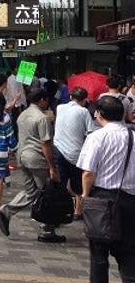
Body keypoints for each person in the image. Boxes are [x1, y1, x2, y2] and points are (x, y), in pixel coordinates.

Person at [77, 95, 135, 283]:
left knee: (99, 257)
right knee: (128, 256)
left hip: (101, 200)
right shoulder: (134, 137)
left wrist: (85, 196)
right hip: (129, 201)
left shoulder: (96, 137)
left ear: (99, 114)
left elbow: (88, 172)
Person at [0, 88, 65, 243]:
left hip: (22, 156)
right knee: (47, 194)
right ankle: (47, 231)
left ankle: (6, 211)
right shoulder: (42, 118)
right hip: (37, 159)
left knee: (30, 191)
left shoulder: (23, 115)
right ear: (41, 100)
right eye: (46, 100)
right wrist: (52, 167)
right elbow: (46, 144)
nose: (47, 103)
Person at [53, 86, 98, 221]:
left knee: (61, 182)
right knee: (77, 183)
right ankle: (78, 211)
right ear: (84, 100)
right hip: (75, 153)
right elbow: (91, 132)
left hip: (58, 149)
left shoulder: (60, 108)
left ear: (71, 97)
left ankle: (58, 208)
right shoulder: (84, 112)